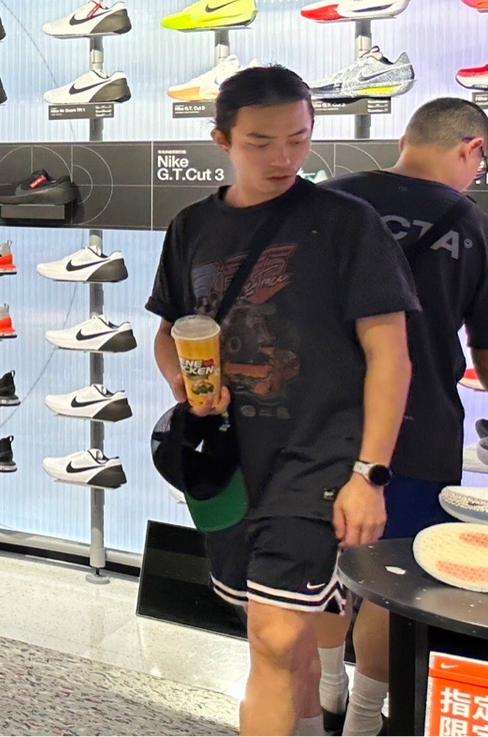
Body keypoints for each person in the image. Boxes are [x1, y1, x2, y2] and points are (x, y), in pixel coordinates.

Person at [147, 65, 416, 737]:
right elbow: (169, 331)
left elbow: (391, 355)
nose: (283, 157)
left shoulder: (345, 223)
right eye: (261, 142)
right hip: (229, 465)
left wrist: (369, 473)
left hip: (319, 458)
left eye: (298, 138)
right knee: (277, 642)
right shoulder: (191, 226)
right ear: (222, 140)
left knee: (273, 637)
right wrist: (182, 383)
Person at [314, 97, 488, 736]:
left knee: (325, 565)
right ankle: (365, 718)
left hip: (324, 425)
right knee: (396, 576)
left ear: (406, 140)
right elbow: (485, 351)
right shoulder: (473, 227)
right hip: (421, 428)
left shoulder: (326, 202)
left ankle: (327, 692)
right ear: (471, 149)